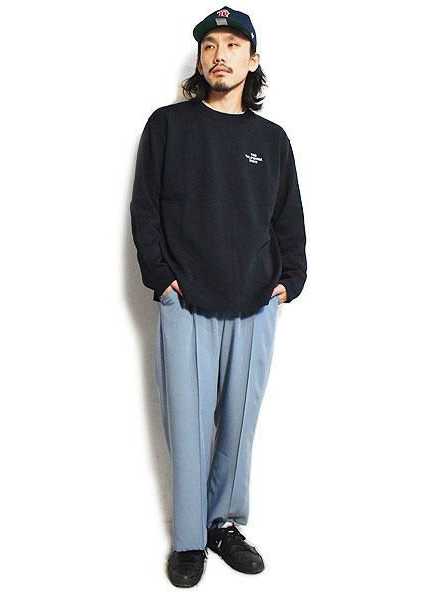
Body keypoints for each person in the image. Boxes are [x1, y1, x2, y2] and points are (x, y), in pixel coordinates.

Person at [130, 6, 307, 587]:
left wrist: (290, 280)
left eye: (232, 45)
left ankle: (222, 524)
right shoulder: (168, 126)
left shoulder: (271, 140)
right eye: (210, 45)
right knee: (187, 422)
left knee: (238, 421)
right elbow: (145, 208)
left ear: (252, 60)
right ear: (200, 58)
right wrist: (161, 277)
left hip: (256, 300)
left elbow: (288, 217)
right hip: (186, 298)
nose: (219, 54)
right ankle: (189, 539)